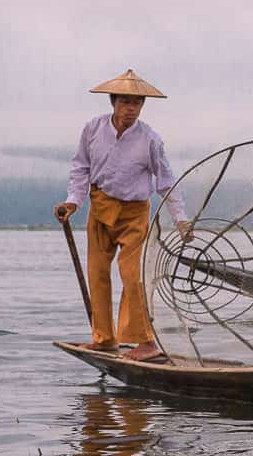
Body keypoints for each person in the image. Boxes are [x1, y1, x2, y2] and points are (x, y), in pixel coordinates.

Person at [55, 69, 193, 360]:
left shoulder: (150, 139)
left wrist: (180, 219)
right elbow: (80, 168)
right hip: (100, 208)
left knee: (133, 276)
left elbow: (166, 181)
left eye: (137, 103)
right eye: (125, 102)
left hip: (134, 214)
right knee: (98, 274)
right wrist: (72, 203)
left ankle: (145, 343)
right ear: (113, 102)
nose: (131, 109)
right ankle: (104, 338)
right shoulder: (92, 129)